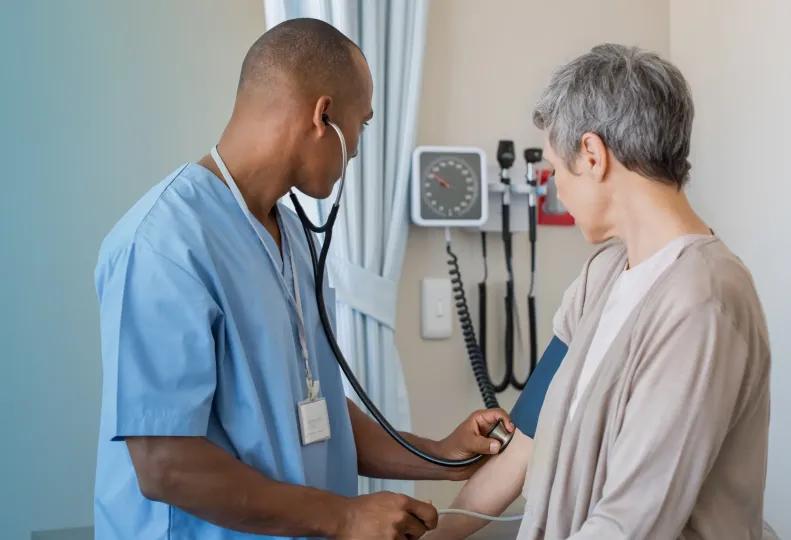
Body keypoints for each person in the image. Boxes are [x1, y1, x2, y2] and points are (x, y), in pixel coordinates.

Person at [94, 18, 514, 540]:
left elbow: (314, 409)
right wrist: (345, 516)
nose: (357, 149)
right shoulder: (164, 243)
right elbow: (164, 462)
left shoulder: (291, 234)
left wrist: (441, 455)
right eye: (361, 124)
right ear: (324, 117)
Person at [427, 44, 770, 540]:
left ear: (592, 154)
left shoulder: (704, 300)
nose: (556, 189)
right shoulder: (601, 277)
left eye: (555, 169)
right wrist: (436, 534)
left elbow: (630, 523)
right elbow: (526, 443)